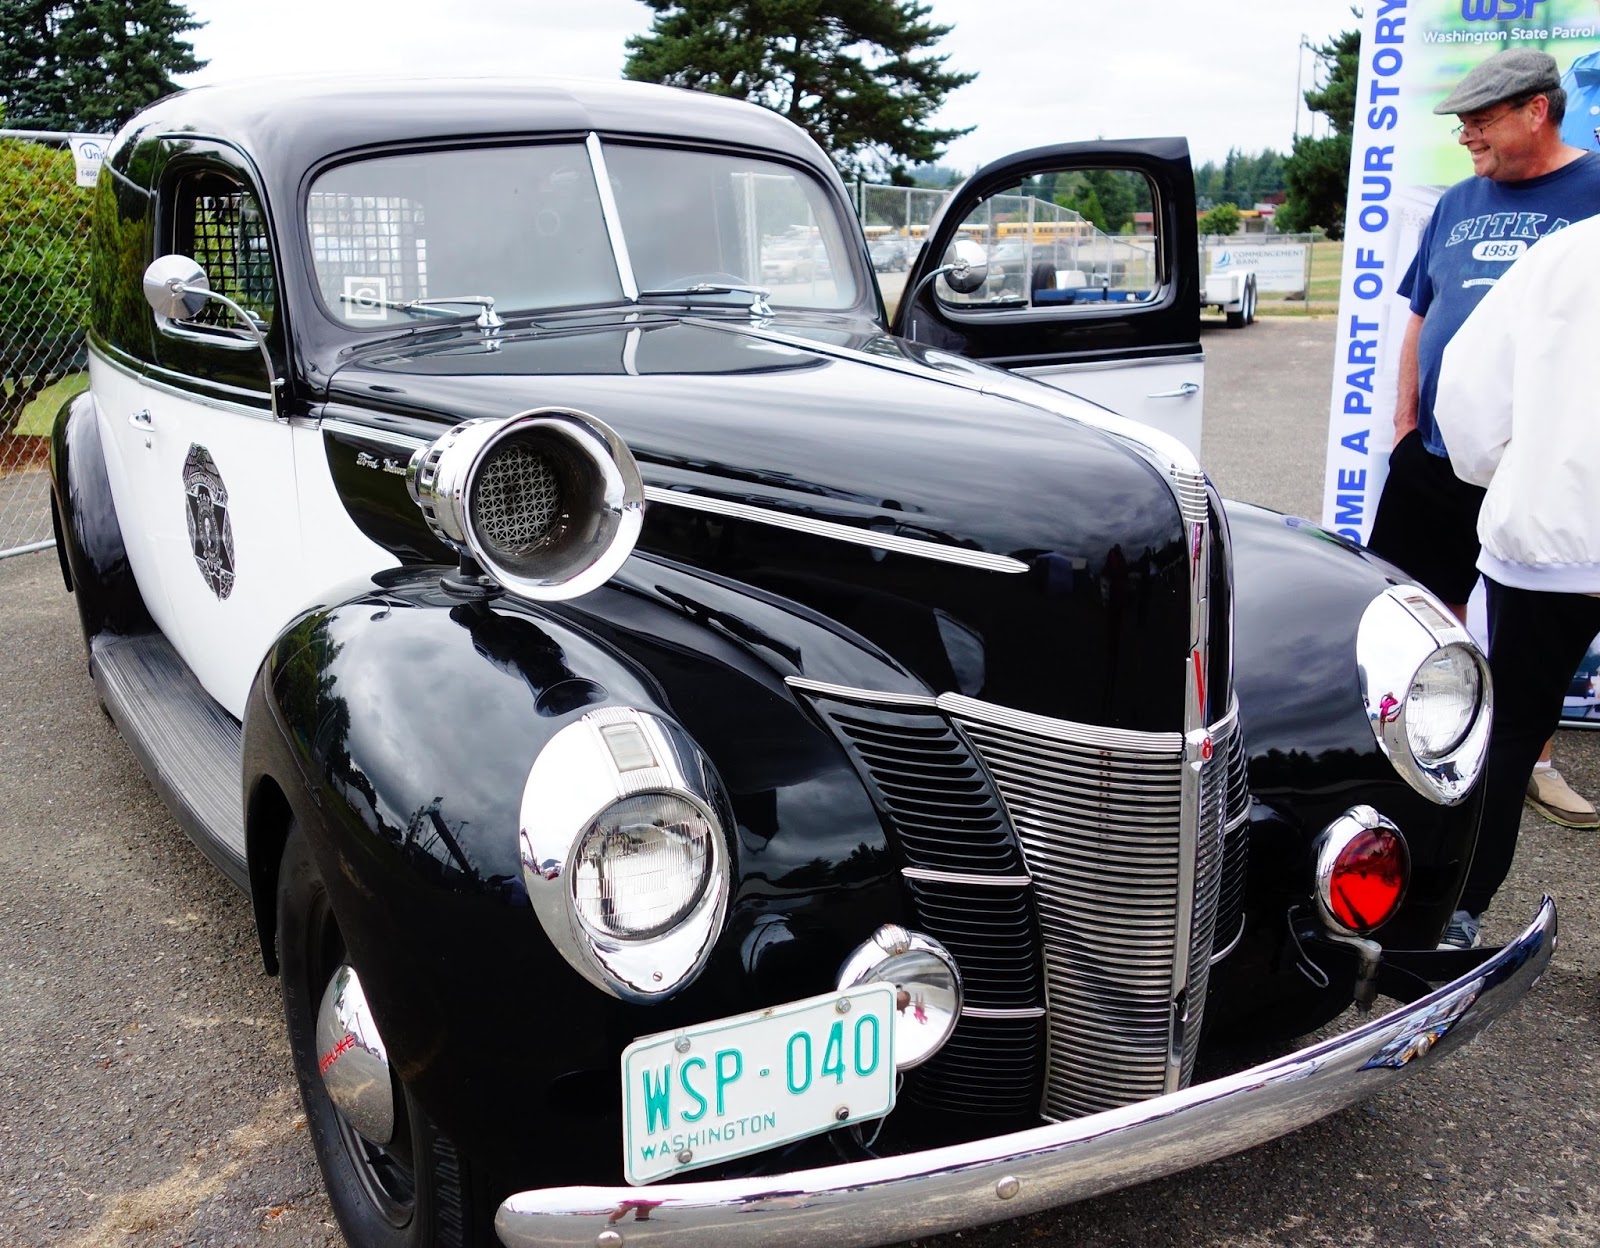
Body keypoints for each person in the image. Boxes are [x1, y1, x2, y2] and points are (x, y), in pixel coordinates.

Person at [1364, 48, 1600, 835]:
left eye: (1481, 119)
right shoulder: (1458, 202)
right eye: (1462, 121)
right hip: (1434, 459)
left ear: (1538, 110)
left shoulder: (1595, 192)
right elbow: (1422, 320)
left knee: (1531, 643)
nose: (1466, 135)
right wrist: (1404, 426)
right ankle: (1401, 760)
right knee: (1411, 613)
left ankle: (1523, 763)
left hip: (1536, 469)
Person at [1430, 212, 1600, 950]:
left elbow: (1468, 396)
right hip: (1548, 534)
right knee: (1511, 730)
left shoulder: (1561, 254)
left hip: (1549, 537)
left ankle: (1460, 911)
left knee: (1513, 729)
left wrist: (1517, 476)